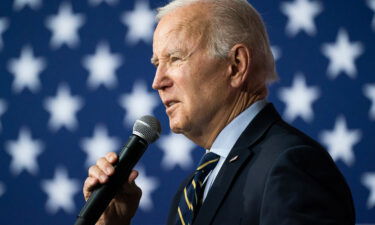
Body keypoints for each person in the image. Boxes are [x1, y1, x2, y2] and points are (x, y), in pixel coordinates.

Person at [83, 0, 356, 224]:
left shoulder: (292, 166)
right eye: (157, 63)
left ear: (236, 65)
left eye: (175, 58)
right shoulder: (189, 191)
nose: (157, 82)